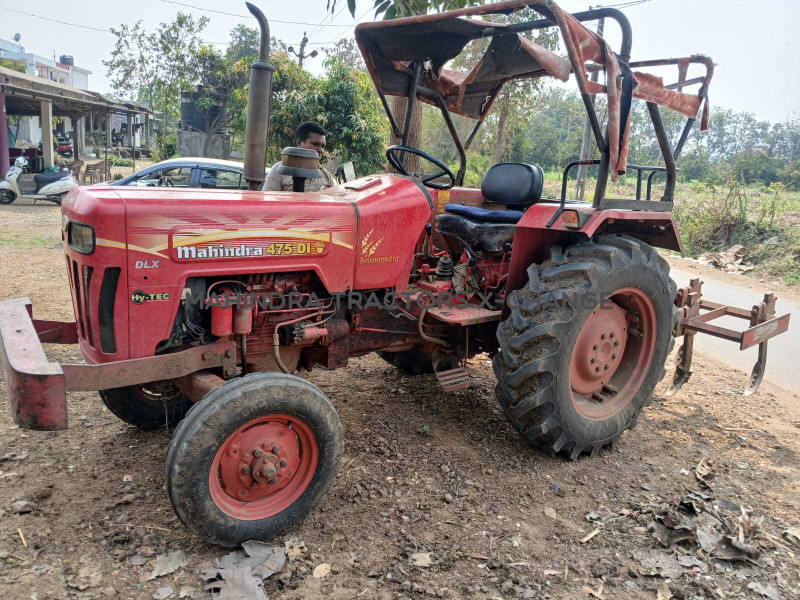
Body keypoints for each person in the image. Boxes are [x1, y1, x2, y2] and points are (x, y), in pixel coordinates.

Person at [265, 121, 335, 192]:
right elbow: (267, 200)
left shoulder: (326, 175)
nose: (321, 150)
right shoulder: (279, 169)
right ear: (299, 143)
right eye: (315, 144)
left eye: (323, 146)